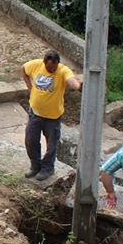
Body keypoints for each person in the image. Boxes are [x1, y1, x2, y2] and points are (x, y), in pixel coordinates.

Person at [21, 49, 81, 180]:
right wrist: (29, 87)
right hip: (35, 114)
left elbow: (71, 80)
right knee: (31, 141)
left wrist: (79, 86)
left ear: (58, 64)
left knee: (51, 145)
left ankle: (48, 169)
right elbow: (24, 69)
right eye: (49, 68)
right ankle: (35, 166)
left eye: (54, 68)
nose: (52, 70)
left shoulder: (62, 70)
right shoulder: (36, 65)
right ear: (44, 62)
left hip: (53, 118)